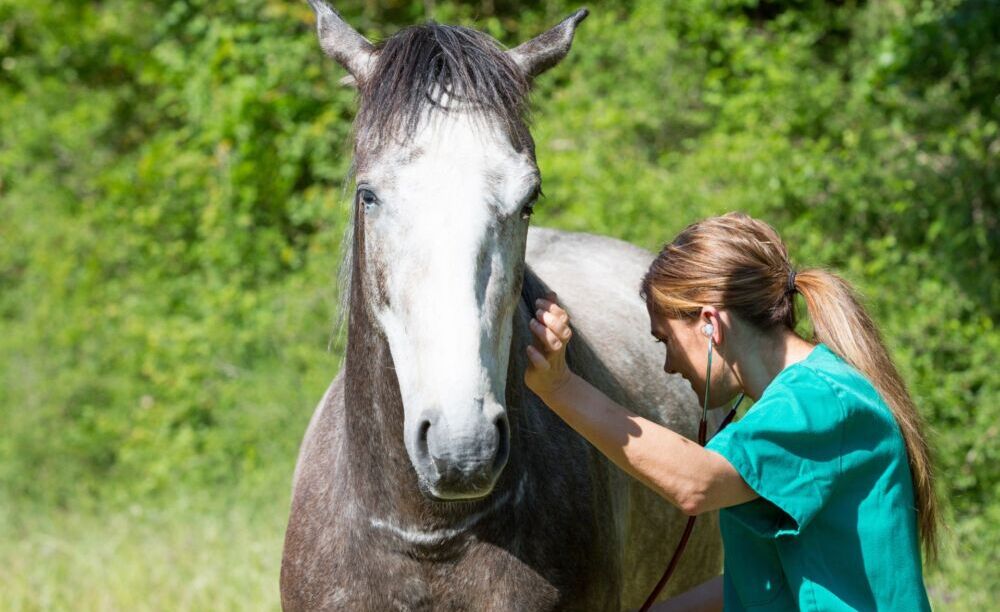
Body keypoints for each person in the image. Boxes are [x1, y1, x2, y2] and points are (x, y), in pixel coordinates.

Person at [524, 212, 937, 611]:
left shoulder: (818, 402)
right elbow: (767, 576)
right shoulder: (810, 397)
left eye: (665, 340)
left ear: (710, 323)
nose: (669, 365)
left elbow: (696, 484)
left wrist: (560, 387)